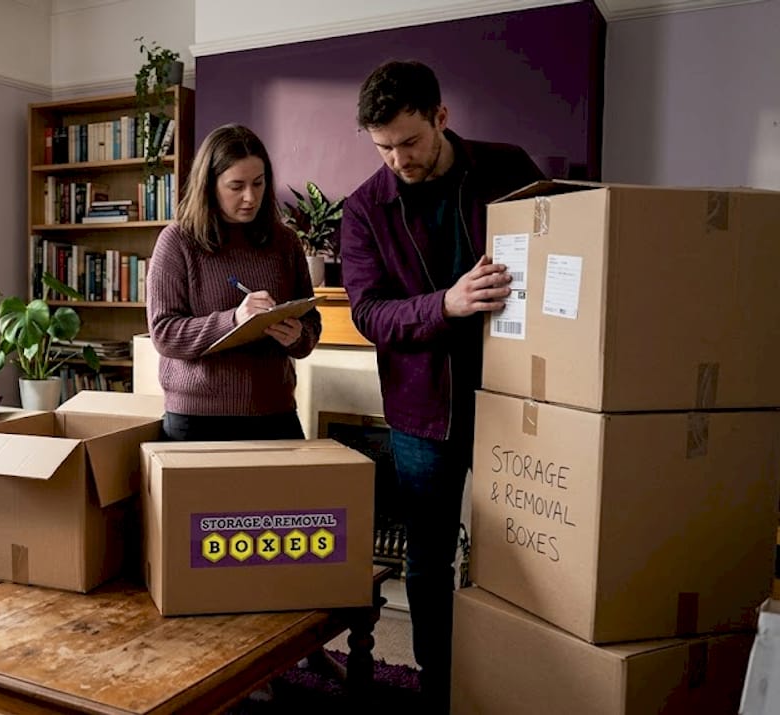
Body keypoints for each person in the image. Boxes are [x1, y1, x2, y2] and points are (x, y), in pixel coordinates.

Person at [339, 60, 545, 711]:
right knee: (428, 561)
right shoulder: (363, 208)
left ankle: (524, 680)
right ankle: (438, 687)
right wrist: (446, 304)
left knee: (531, 554)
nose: (398, 159)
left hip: (519, 400)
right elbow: (369, 314)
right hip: (421, 413)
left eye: (410, 141)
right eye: (383, 147)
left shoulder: (509, 167)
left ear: (441, 117)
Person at [146, 123, 321, 442]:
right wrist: (235, 320)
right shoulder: (177, 241)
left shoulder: (286, 242)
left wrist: (297, 335)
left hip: (276, 413)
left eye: (258, 183)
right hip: (196, 419)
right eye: (236, 186)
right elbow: (164, 333)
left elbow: (311, 324)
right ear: (209, 185)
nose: (250, 197)